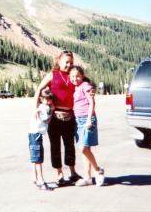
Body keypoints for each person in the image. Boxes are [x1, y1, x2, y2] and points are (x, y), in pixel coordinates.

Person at [34, 50, 82, 186]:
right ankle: (60, 174)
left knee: (69, 145)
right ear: (59, 61)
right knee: (55, 146)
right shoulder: (52, 75)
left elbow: (84, 84)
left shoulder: (73, 76)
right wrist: (35, 108)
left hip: (70, 116)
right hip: (54, 117)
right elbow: (38, 90)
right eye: (66, 62)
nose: (68, 65)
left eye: (71, 62)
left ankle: (73, 173)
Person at [70, 65, 105, 187]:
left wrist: (89, 119)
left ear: (82, 76)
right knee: (86, 150)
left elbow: (92, 103)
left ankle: (98, 170)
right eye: (72, 76)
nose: (75, 79)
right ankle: (88, 177)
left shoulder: (85, 86)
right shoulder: (75, 87)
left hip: (86, 119)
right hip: (78, 120)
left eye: (78, 76)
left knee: (83, 148)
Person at [28, 89, 54, 190]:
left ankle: (34, 177)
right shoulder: (43, 108)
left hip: (32, 132)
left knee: (34, 156)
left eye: (50, 100)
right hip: (36, 133)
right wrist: (52, 110)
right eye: (46, 100)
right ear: (41, 99)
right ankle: (41, 181)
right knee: (38, 158)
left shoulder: (39, 106)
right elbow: (46, 120)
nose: (49, 102)